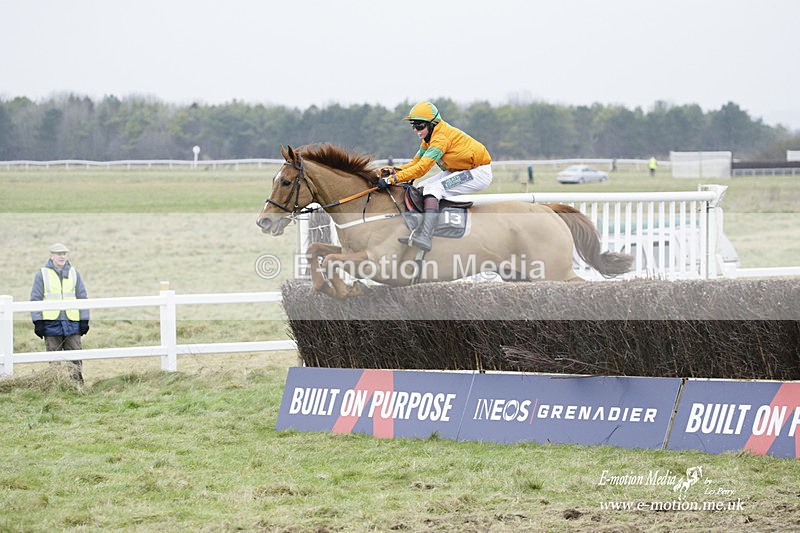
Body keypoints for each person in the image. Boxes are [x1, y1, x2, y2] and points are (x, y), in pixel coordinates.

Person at [375, 101, 493, 251]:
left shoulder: (440, 138)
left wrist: (391, 180)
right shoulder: (429, 138)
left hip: (478, 172)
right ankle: (421, 228)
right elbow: (416, 163)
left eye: (419, 125)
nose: (415, 130)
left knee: (434, 189)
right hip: (459, 169)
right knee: (420, 188)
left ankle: (426, 236)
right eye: (413, 125)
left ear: (432, 124)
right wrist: (394, 171)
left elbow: (421, 169)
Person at [30, 243, 89, 384]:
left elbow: (82, 297)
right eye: (58, 254)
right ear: (51, 256)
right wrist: (37, 321)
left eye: (64, 254)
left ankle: (77, 388)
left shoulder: (74, 273)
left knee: (75, 357)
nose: (62, 256)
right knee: (54, 359)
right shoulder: (42, 274)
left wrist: (84, 319)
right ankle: (55, 387)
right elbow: (35, 299)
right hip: (51, 323)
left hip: (72, 322)